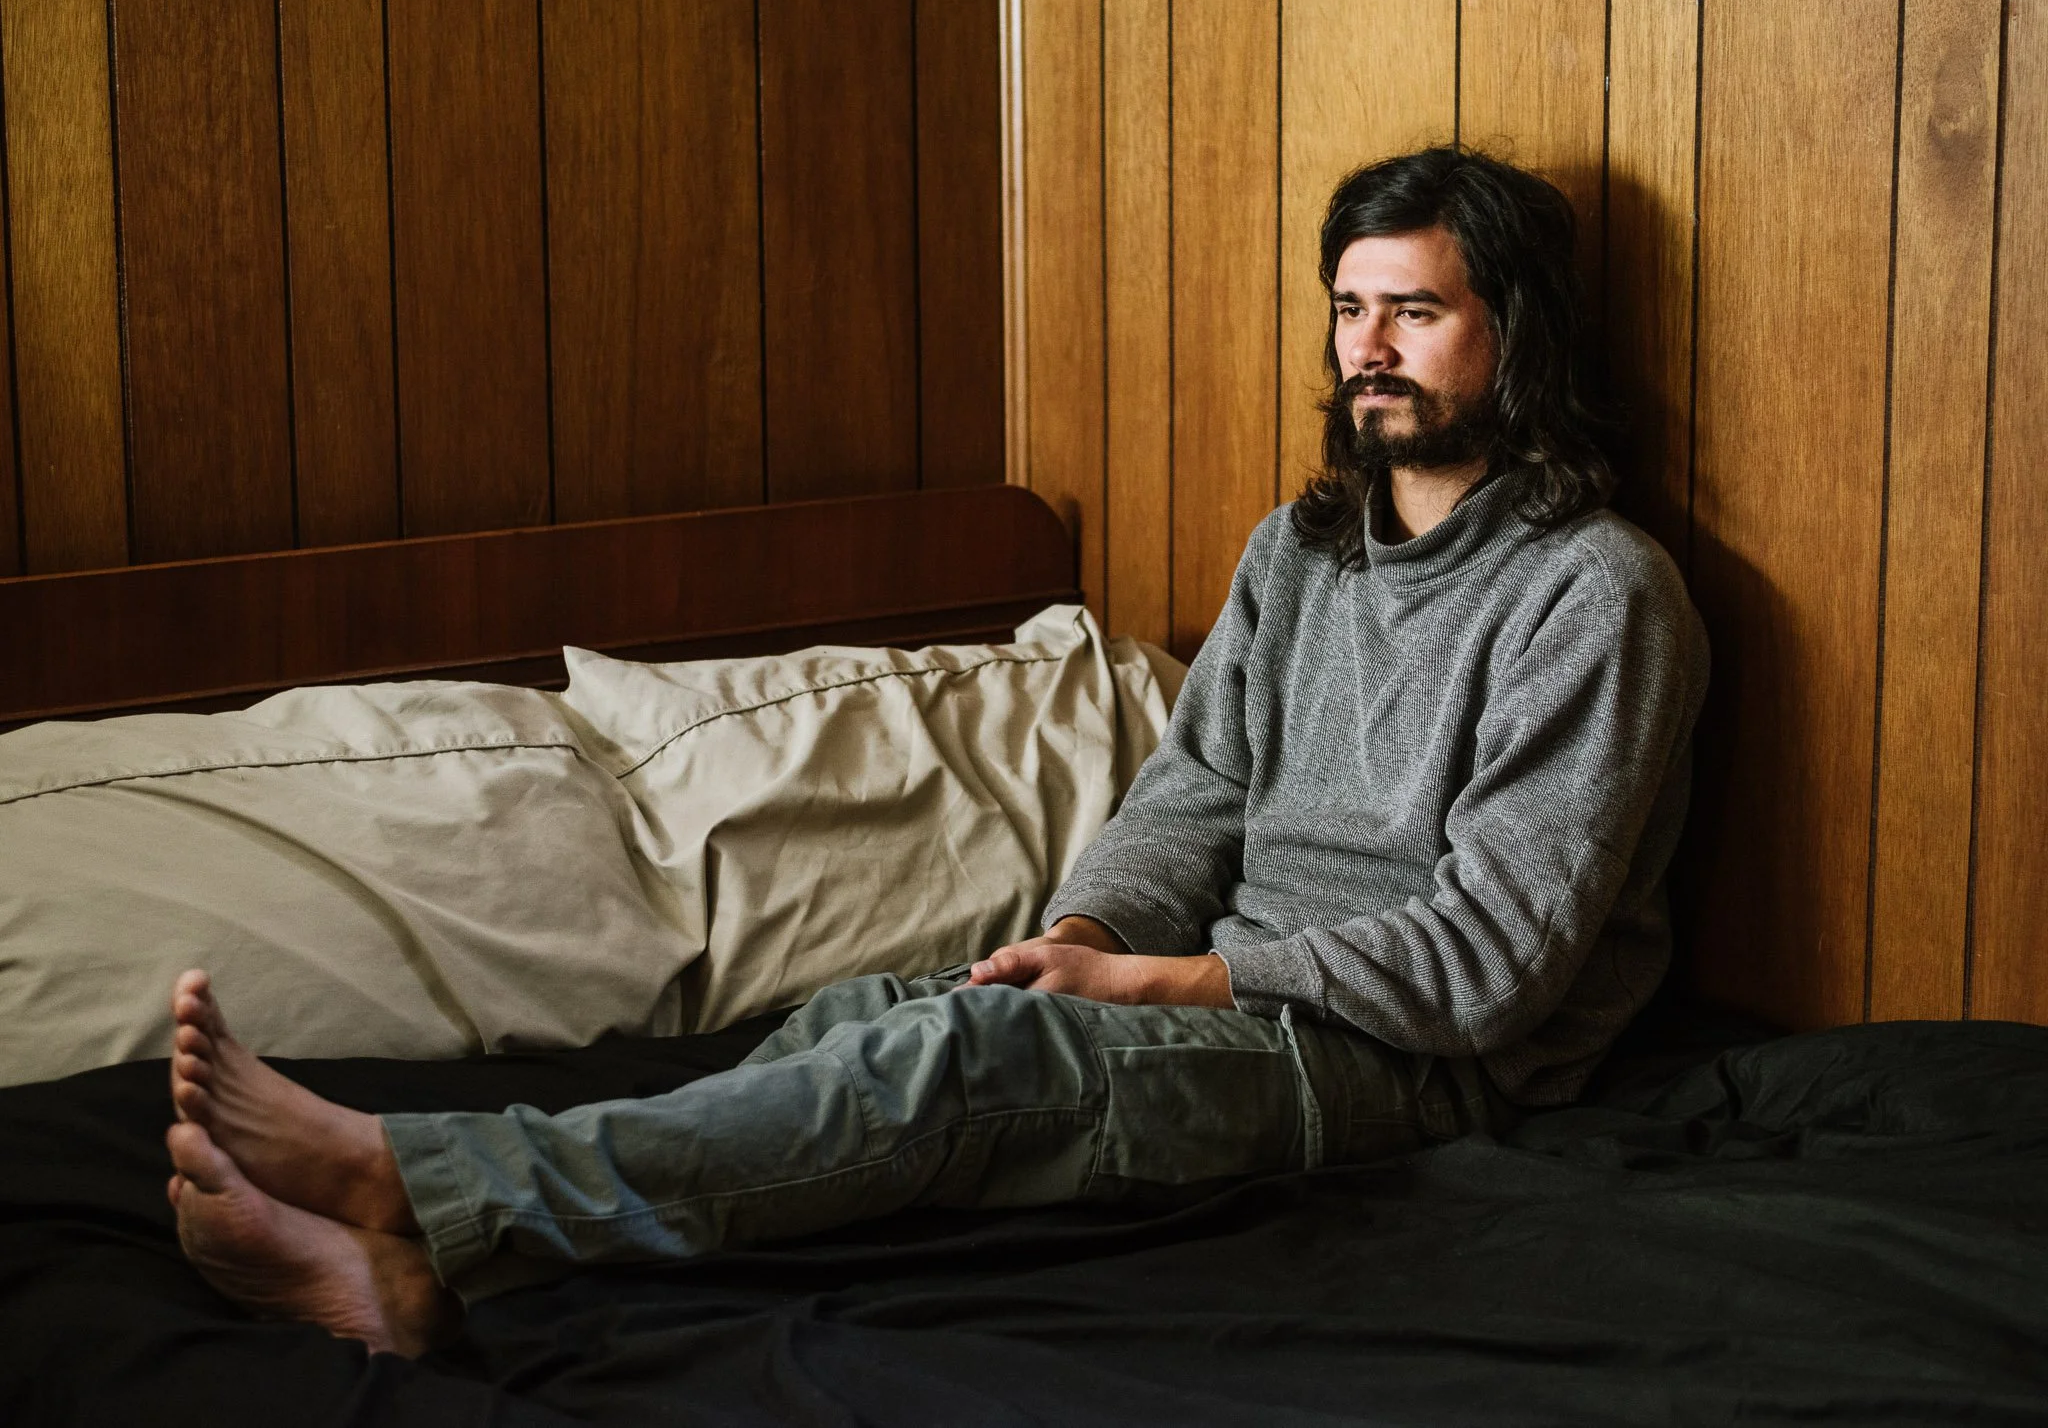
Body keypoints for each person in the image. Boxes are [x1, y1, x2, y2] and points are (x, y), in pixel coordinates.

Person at [162, 146, 1709, 1356]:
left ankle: (406, 1181)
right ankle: (428, 1267)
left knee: (963, 1067)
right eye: (1348, 307)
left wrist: (1159, 986)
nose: (1367, 348)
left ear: (1515, 338)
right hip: (1233, 996)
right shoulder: (1302, 551)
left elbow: (1490, 962)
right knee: (871, 1015)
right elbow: (1192, 796)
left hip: (1415, 1073)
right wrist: (1087, 932)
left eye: (1416, 311)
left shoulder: (1596, 592)